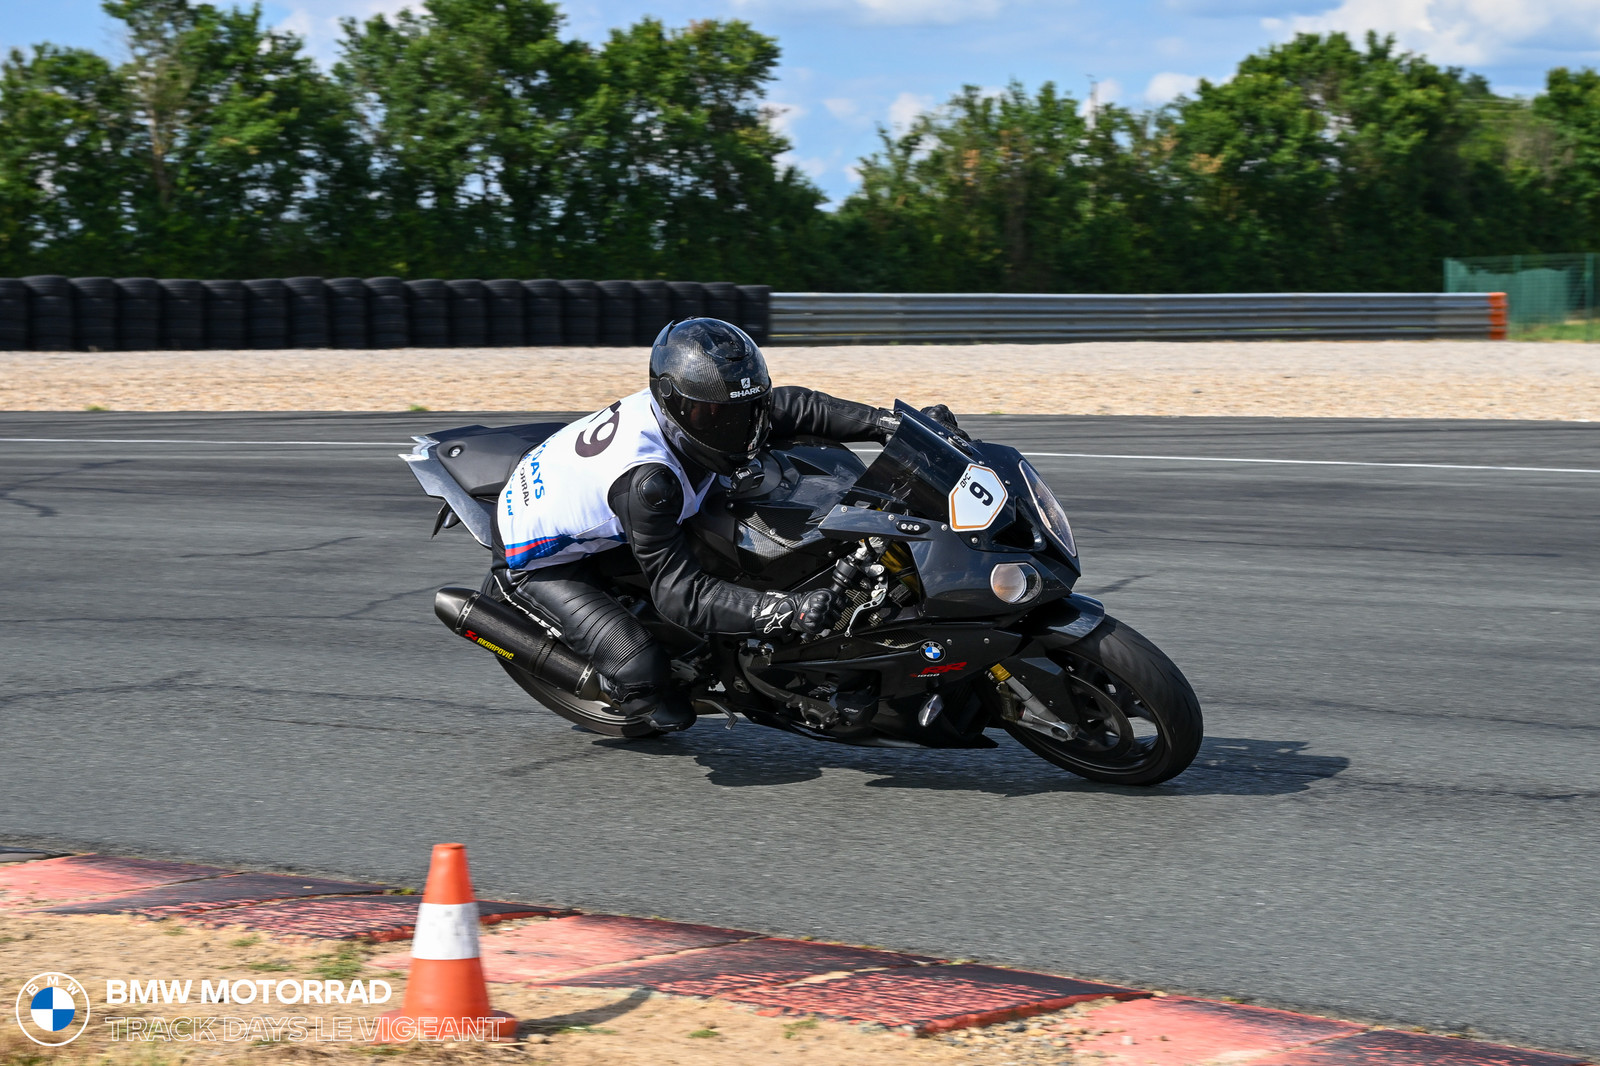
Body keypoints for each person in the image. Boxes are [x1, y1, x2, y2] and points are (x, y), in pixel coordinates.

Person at [489, 317, 924, 733]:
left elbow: (791, 406)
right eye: (713, 416)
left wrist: (890, 424)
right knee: (643, 672)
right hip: (538, 561)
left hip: (601, 503)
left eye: (746, 409)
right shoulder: (650, 484)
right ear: (675, 406)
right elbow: (679, 594)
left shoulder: (697, 407)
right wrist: (783, 610)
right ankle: (618, 688)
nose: (739, 427)